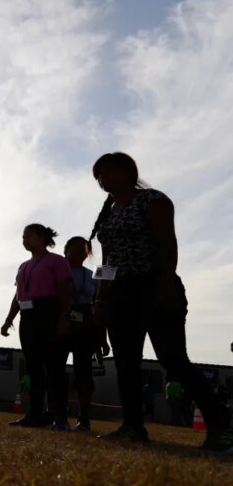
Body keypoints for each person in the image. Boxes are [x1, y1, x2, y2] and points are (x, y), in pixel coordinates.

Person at [90, 152, 232, 451]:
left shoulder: (153, 200)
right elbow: (108, 260)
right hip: (120, 293)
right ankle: (132, 427)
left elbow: (167, 243)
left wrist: (166, 286)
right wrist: (102, 297)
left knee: (173, 360)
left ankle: (222, 427)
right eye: (98, 175)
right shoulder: (108, 212)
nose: (102, 179)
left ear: (128, 171)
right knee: (126, 363)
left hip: (153, 285)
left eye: (107, 172)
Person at [1, 224, 74, 430]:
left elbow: (66, 290)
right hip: (28, 316)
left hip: (49, 312)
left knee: (54, 367)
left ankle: (59, 416)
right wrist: (9, 320)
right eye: (23, 236)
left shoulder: (57, 261)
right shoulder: (23, 266)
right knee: (33, 368)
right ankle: (35, 414)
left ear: (41, 237)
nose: (24, 240)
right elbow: (18, 296)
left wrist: (64, 316)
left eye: (28, 236)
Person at [61, 236, 109, 432]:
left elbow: (99, 308)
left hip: (85, 327)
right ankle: (57, 415)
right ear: (66, 250)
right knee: (56, 370)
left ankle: (84, 419)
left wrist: (102, 338)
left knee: (84, 374)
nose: (80, 251)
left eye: (84, 248)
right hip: (62, 323)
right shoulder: (57, 269)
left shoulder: (93, 275)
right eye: (75, 247)